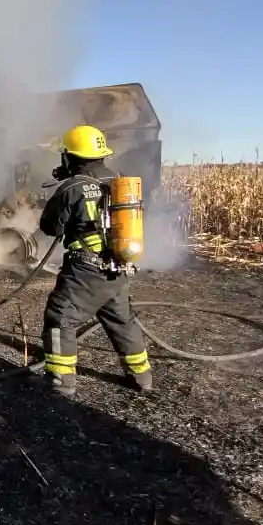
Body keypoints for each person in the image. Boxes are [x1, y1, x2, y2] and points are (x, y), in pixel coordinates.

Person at [38, 124, 152, 397]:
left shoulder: (73, 187)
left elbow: (50, 227)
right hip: (118, 265)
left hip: (86, 270)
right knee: (122, 320)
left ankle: (60, 381)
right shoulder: (118, 182)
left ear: (70, 156)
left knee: (61, 317)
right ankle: (142, 377)